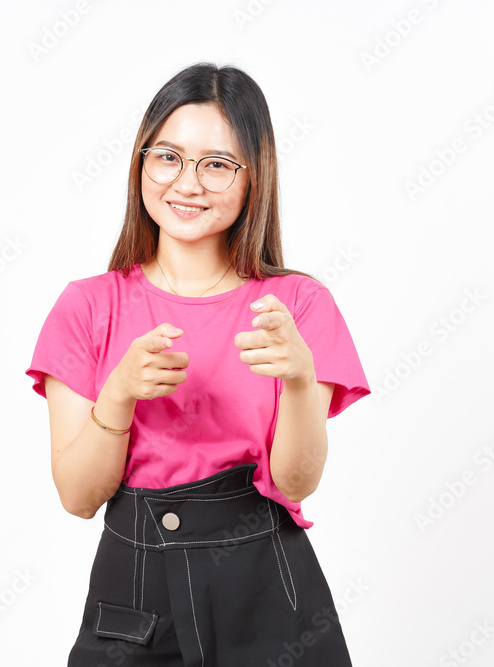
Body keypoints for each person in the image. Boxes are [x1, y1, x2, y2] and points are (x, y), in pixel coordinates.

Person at [25, 62, 371, 666]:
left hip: (269, 595)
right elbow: (78, 497)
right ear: (141, 163)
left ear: (254, 177)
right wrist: (118, 395)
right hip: (133, 600)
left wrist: (298, 379)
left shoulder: (297, 306)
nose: (187, 183)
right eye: (168, 157)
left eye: (216, 164)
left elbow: (296, 483)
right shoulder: (87, 306)